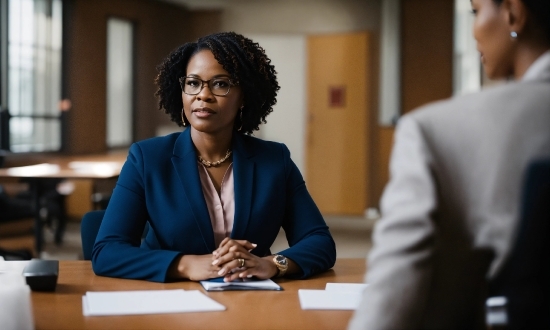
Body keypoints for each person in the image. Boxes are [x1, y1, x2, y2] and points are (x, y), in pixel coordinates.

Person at [349, 0, 550, 329]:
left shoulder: (436, 130)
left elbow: (396, 291)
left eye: (476, 11)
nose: (474, 32)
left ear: (513, 12)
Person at [92, 32, 336, 283]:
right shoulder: (147, 159)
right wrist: (185, 265)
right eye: (193, 83)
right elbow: (107, 251)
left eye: (220, 83)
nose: (203, 95)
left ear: (244, 96)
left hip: (252, 299)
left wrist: (272, 264)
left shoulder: (274, 160)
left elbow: (319, 242)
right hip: (170, 301)